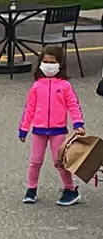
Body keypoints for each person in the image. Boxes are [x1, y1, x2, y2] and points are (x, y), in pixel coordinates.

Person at [19, 45, 85, 206]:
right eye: (45, 61)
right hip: (39, 130)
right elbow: (30, 108)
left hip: (58, 130)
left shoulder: (65, 86)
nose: (48, 65)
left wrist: (78, 124)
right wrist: (24, 128)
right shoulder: (36, 86)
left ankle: (70, 189)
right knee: (35, 161)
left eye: (52, 62)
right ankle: (31, 188)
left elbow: (73, 105)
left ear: (60, 64)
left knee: (60, 161)